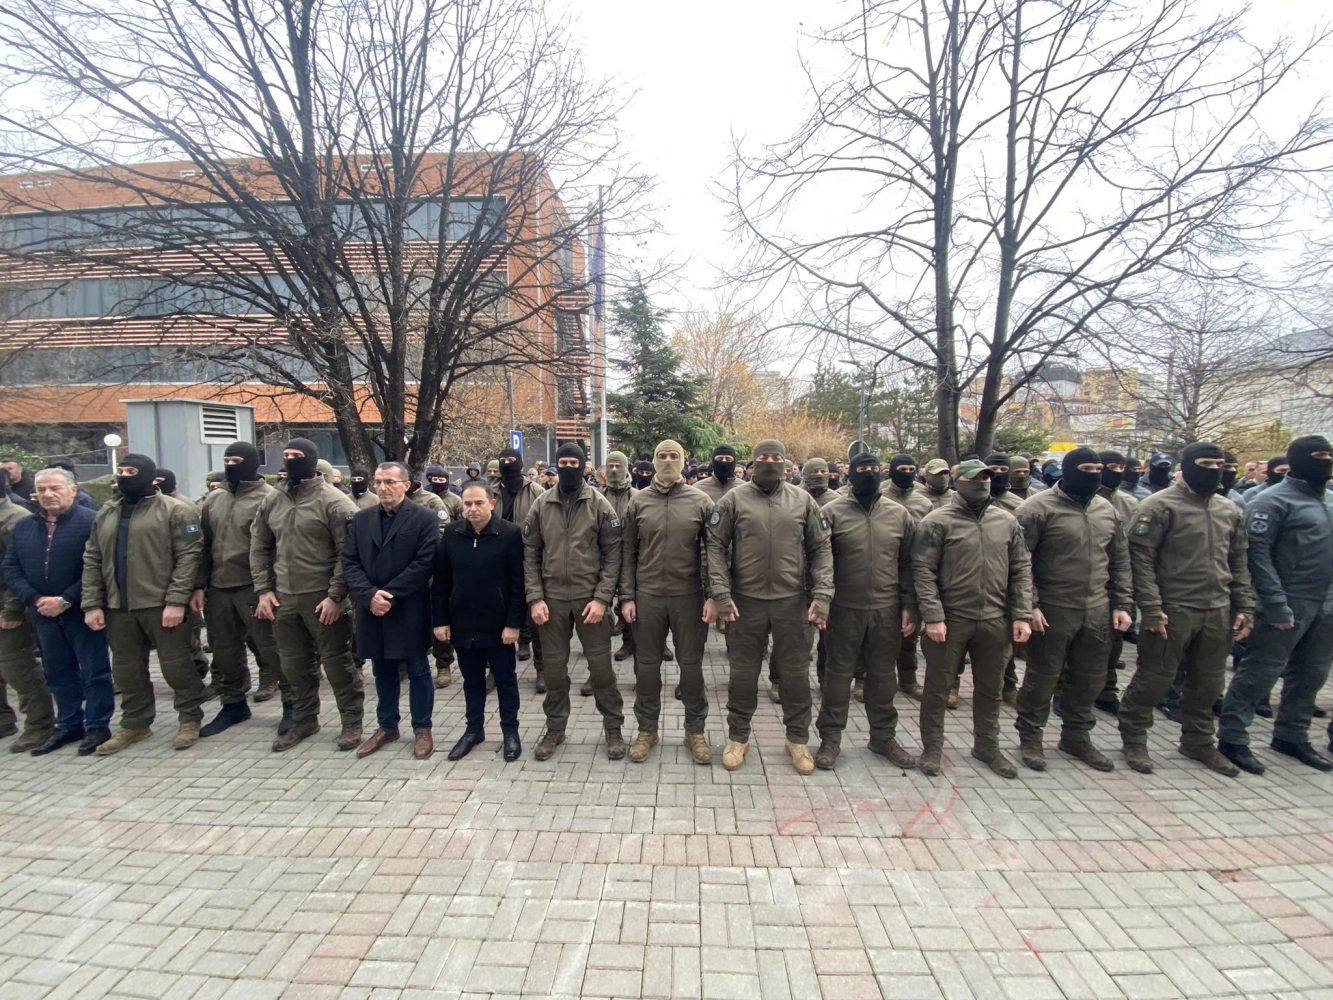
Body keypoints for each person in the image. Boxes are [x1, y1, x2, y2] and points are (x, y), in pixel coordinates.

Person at [1118, 442, 1253, 776]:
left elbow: (1238, 561)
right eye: (1205, 463)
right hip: (1172, 609)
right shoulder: (1159, 505)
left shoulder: (1228, 510)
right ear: (1189, 465)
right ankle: (1134, 739)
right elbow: (1140, 560)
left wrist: (1244, 606)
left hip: (1217, 608)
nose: (1213, 470)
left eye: (1219, 463)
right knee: (1154, 679)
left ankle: (1198, 742)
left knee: (1208, 683)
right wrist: (1150, 607)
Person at [705, 438, 833, 775]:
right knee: (743, 675)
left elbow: (821, 550)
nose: (770, 462)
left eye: (776, 457)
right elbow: (715, 546)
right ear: (753, 462)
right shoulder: (735, 499)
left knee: (794, 675)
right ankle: (738, 737)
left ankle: (798, 738)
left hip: (793, 602)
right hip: (745, 603)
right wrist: (720, 593)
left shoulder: (802, 500)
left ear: (786, 463)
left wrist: (822, 596)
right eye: (764, 457)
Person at [1218, 435, 1333, 774]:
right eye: (1319, 456)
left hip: (1325, 603)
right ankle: (1233, 737)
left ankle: (1291, 735)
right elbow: (1258, 557)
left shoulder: (1328, 500)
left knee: (1311, 674)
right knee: (1261, 672)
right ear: (1298, 460)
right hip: (1286, 600)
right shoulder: (1272, 501)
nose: (1326, 461)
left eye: (1330, 455)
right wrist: (1276, 603)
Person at [1013, 448, 1131, 772]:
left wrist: (1122, 603)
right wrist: (1030, 606)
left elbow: (1119, 560)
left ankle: (1076, 735)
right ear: (1068, 470)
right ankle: (1030, 736)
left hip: (1096, 608)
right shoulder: (1036, 509)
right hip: (1053, 608)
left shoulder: (1106, 510)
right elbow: (1020, 562)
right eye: (1086, 468)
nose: (1094, 473)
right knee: (1042, 676)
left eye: (1098, 468)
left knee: (1089, 677)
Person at [912, 459, 1032, 778]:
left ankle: (987, 745)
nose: (981, 482)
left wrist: (1021, 613)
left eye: (986, 477)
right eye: (974, 478)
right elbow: (923, 571)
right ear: (958, 481)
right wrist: (933, 616)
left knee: (990, 689)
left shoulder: (1006, 522)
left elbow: (1021, 570)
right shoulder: (937, 522)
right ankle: (932, 747)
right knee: (938, 688)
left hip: (995, 619)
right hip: (951, 619)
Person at [81, 454, 209, 754]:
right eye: (121, 470)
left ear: (152, 477)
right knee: (126, 670)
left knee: (177, 666)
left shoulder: (175, 510)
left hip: (161, 603)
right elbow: (92, 558)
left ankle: (190, 718)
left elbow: (189, 558)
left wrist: (177, 600)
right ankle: (135, 723)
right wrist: (92, 603)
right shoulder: (107, 512)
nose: (125, 476)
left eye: (132, 471)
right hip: (118, 606)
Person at [251, 438, 364, 753]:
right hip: (284, 599)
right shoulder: (272, 501)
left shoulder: (335, 502)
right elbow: (259, 547)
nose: (289, 460)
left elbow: (348, 555)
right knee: (294, 665)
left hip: (322, 599)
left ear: (312, 461)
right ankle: (304, 719)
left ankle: (352, 722)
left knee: (337, 665)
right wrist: (263, 589)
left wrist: (336, 596)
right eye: (286, 455)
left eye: (297, 456)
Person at [814, 451, 918, 770]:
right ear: (851, 474)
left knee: (884, 677)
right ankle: (830, 739)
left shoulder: (899, 515)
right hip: (844, 608)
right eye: (863, 469)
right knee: (837, 676)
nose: (869, 473)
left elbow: (910, 564)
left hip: (886, 610)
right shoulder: (831, 513)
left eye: (875, 468)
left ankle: (883, 736)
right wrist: (822, 602)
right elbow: (820, 562)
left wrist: (910, 606)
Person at [3, 468, 114, 755]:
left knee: (94, 671)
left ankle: (97, 724)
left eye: (54, 488)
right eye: (42, 490)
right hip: (42, 613)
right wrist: (36, 598)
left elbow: (101, 566)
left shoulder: (92, 521)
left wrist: (65, 598)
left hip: (81, 610)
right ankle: (68, 724)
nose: (48, 495)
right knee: (58, 673)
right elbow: (11, 567)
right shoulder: (25, 526)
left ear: (73, 490)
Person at [524, 443, 624, 760]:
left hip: (589, 600)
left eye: (574, 462)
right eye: (563, 462)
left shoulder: (599, 504)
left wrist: (602, 598)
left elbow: (613, 556)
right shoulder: (541, 504)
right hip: (551, 601)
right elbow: (530, 555)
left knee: (602, 670)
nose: (568, 467)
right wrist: (535, 597)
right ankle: (555, 728)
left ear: (584, 466)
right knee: (554, 671)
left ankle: (613, 729)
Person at [620, 439, 715, 764]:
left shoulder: (701, 501)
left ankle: (695, 731)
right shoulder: (638, 502)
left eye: (674, 456)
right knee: (646, 669)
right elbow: (627, 552)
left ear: (684, 461)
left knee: (691, 668)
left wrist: (713, 595)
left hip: (688, 597)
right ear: (654, 461)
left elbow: (713, 553)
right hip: (647, 598)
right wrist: (627, 596)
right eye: (662, 456)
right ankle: (647, 730)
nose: (668, 461)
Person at [193, 441, 290, 739]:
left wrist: (267, 589)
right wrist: (199, 584)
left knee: (272, 648)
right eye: (227, 460)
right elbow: (203, 546)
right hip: (219, 589)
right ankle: (233, 703)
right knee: (224, 651)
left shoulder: (270, 498)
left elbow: (277, 548)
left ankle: (293, 705)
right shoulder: (214, 499)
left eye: (237, 460)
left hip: (254, 587)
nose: (230, 465)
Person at [343, 462, 440, 761]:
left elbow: (425, 563)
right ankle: (387, 726)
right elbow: (349, 561)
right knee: (382, 669)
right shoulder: (361, 519)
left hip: (408, 607)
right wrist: (370, 595)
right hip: (371, 607)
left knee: (418, 669)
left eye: (390, 482)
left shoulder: (423, 518)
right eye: (378, 482)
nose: (382, 487)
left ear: (406, 485)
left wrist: (390, 595)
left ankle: (422, 728)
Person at [434, 480, 525, 762]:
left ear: (492, 504)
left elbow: (518, 584)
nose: (472, 509)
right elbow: (441, 581)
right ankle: (474, 730)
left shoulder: (509, 534)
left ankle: (510, 732)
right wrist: (440, 620)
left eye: (478, 503)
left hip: (498, 625)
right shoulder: (451, 534)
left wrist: (513, 623)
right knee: (472, 681)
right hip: (463, 623)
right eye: (467, 504)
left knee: (506, 680)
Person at [0, 483, 56, 752]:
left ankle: (39, 724)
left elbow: (17, 567)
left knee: (17, 668)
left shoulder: (15, 518)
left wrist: (11, 609)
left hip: (9, 607)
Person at [1092, 450, 1141, 713]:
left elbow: (1129, 553)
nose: (1119, 472)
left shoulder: (1129, 504)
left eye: (1122, 467)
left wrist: (1127, 594)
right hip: (1076, 586)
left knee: (1113, 642)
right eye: (1111, 466)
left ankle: (1108, 689)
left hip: (1115, 585)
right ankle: (1064, 691)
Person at [494, 446, 546, 687]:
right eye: (502, 460)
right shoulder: (491, 490)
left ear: (520, 464)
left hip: (527, 557)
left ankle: (542, 670)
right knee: (495, 615)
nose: (506, 463)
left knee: (535, 619)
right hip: (495, 560)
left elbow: (544, 525)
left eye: (511, 460)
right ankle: (495, 671)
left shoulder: (536, 491)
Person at [602, 451, 638, 666]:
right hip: (603, 560)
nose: (614, 470)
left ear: (626, 469)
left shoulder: (637, 497)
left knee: (630, 602)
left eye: (618, 466)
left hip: (630, 558)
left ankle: (632, 642)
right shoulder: (596, 496)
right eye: (610, 466)